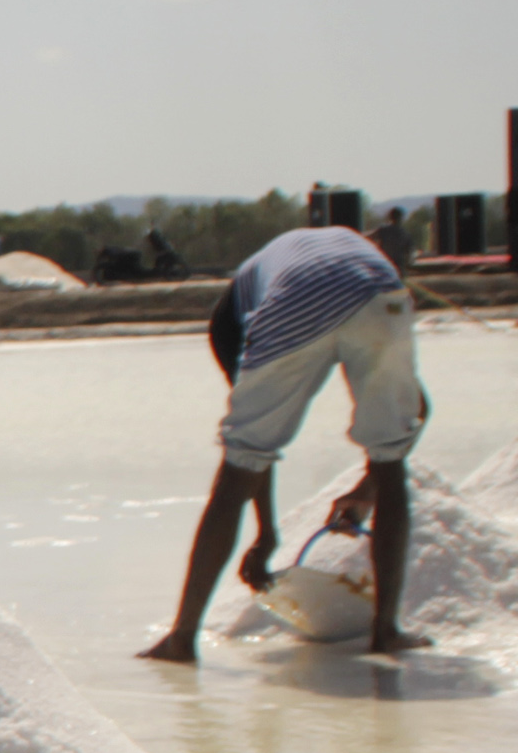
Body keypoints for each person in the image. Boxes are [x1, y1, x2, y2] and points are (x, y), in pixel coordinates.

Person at [138, 223, 426, 663]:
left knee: (234, 477)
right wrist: (371, 485)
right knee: (392, 467)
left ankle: (182, 638)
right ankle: (385, 630)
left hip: (297, 300)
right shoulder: (365, 256)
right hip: (380, 299)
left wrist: (266, 534)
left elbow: (253, 451)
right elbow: (419, 407)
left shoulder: (232, 314)